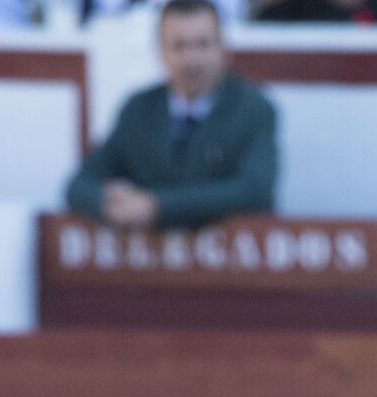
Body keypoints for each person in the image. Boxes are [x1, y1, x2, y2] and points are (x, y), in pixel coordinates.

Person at [64, 0, 277, 232]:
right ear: (161, 51)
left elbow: (255, 190)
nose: (191, 59)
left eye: (202, 45)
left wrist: (156, 205)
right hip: (148, 265)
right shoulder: (139, 110)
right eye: (179, 46)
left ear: (223, 48)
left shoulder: (253, 108)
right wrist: (109, 203)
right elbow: (80, 185)